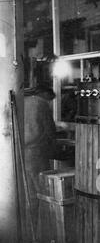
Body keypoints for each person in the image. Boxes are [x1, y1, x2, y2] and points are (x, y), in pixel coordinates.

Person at [24, 85, 57, 233]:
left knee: (30, 194)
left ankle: (32, 232)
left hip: (23, 153)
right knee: (44, 192)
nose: (50, 103)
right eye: (50, 100)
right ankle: (47, 232)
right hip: (37, 153)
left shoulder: (23, 100)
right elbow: (50, 129)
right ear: (45, 94)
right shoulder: (41, 103)